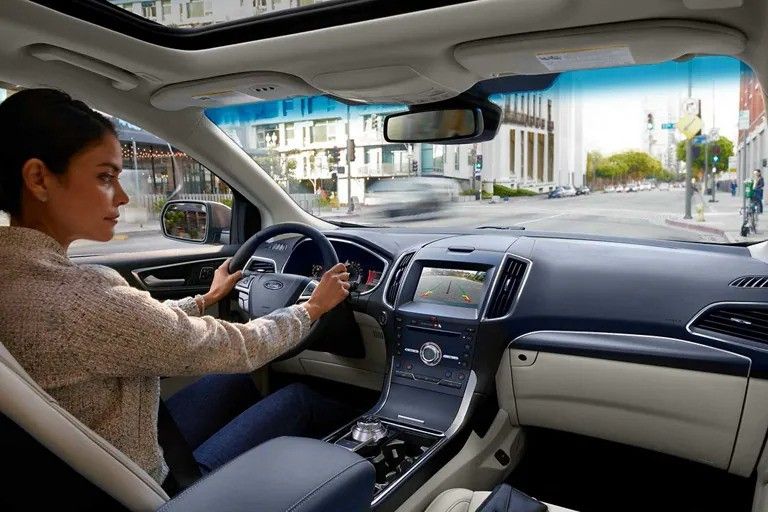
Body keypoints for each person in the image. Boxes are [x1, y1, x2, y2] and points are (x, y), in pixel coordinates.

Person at [0, 89, 354, 488]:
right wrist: (312, 308)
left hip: (97, 464)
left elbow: (137, 330)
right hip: (150, 486)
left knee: (232, 382)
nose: (123, 196)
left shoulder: (15, 277)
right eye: (105, 177)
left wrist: (205, 300)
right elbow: (243, 347)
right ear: (38, 178)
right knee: (299, 400)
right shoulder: (79, 297)